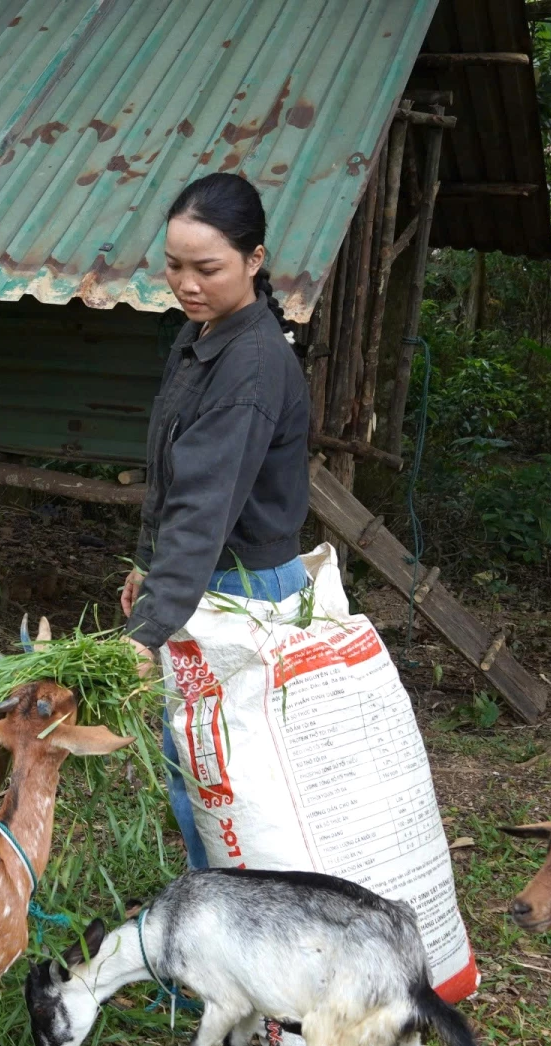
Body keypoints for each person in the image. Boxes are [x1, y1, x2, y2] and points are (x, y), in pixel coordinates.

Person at [121, 173, 310, 871]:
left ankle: (231, 921)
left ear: (254, 260)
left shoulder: (250, 365)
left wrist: (145, 632)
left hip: (243, 591)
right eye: (174, 266)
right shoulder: (204, 334)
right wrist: (147, 566)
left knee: (228, 781)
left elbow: (203, 509)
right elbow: (175, 469)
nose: (186, 284)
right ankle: (214, 912)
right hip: (211, 583)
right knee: (198, 768)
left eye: (207, 268)